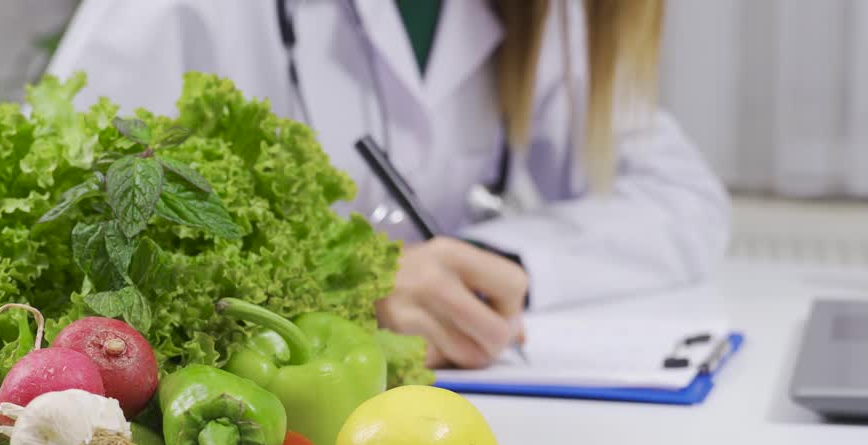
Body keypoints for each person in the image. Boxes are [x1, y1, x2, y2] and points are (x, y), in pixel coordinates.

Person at [43, 0, 729, 369]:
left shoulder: (542, 16)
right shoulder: (165, 12)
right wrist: (347, 283)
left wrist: (487, 265)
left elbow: (682, 199)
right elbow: (61, 242)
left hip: (446, 415)